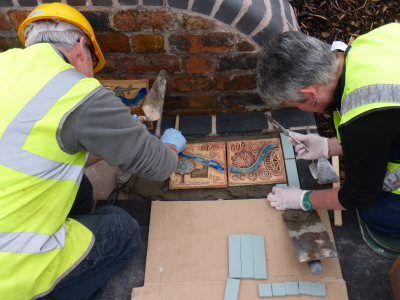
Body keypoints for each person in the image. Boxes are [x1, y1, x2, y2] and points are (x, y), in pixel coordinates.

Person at [0, 3, 186, 300]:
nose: (92, 77)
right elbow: (160, 166)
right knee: (121, 229)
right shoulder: (75, 92)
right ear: (80, 47)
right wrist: (169, 146)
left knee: (81, 190)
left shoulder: (7, 67)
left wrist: (114, 142)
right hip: (11, 276)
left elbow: (39, 150)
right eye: (93, 65)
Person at [257, 24, 400, 237]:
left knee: (376, 212)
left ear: (310, 94)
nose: (299, 109)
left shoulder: (365, 123)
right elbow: (384, 130)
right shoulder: (371, 42)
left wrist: (304, 199)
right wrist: (328, 146)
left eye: (296, 105)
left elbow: (358, 195)